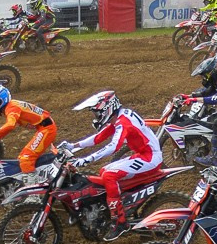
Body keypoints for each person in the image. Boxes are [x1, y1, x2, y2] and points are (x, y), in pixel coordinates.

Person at [65, 90, 161, 230]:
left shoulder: (123, 122)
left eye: (97, 113)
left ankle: (120, 221)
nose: (96, 116)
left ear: (107, 108)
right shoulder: (119, 116)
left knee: (109, 176)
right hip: (144, 154)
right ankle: (116, 202)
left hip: (150, 157)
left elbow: (113, 146)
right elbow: (99, 137)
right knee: (104, 170)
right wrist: (73, 146)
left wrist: (86, 160)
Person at [0, 85, 58, 171]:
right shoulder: (11, 106)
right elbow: (8, 127)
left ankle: (33, 182)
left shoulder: (11, 107)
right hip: (44, 128)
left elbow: (10, 125)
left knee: (26, 159)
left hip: (47, 129)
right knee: (22, 158)